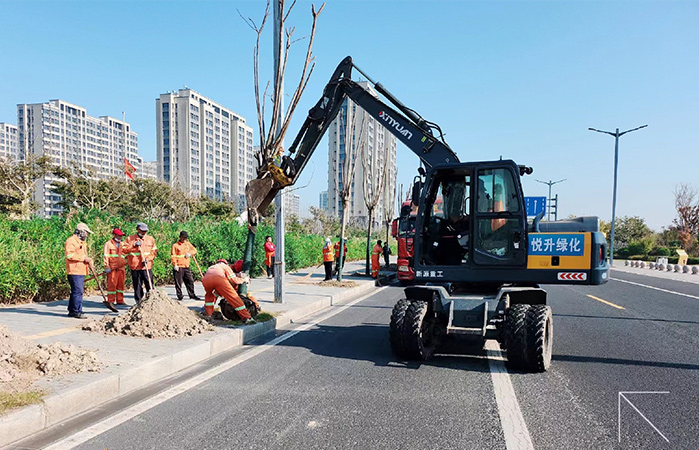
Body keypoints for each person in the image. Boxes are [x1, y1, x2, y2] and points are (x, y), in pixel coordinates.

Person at [201, 259, 255, 324]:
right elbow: (233, 280)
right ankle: (247, 317)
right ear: (225, 263)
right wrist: (243, 280)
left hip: (206, 280)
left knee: (209, 298)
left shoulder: (211, 267)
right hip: (219, 279)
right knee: (234, 298)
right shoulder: (225, 266)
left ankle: (208, 315)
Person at [64, 223, 94, 318]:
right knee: (78, 292)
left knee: (76, 291)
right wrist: (84, 258)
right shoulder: (71, 241)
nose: (87, 235)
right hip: (74, 271)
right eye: (86, 232)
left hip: (80, 270)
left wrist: (88, 261)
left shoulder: (81, 243)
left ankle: (72, 310)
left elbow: (83, 256)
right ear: (81, 232)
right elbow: (69, 255)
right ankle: (77, 311)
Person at [124, 222, 158, 303]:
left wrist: (148, 259)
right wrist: (133, 245)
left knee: (149, 284)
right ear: (137, 229)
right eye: (142, 231)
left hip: (146, 266)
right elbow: (124, 250)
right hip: (135, 266)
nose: (143, 232)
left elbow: (154, 252)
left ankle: (151, 301)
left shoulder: (150, 239)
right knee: (137, 285)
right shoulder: (130, 239)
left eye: (145, 231)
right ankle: (139, 302)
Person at [171, 231, 200, 301]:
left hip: (186, 266)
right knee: (178, 283)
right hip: (178, 266)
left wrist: (190, 253)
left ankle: (192, 295)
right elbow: (173, 256)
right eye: (183, 238)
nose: (184, 239)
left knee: (190, 281)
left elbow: (194, 250)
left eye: (186, 238)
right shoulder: (175, 246)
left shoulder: (188, 244)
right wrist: (175, 265)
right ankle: (180, 296)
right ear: (180, 237)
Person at [103, 227, 127, 306]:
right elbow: (106, 256)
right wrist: (106, 267)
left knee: (121, 285)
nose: (120, 237)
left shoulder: (122, 244)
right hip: (112, 268)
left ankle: (120, 300)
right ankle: (111, 300)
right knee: (112, 285)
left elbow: (127, 252)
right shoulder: (108, 244)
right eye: (118, 235)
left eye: (121, 236)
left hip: (121, 268)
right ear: (114, 235)